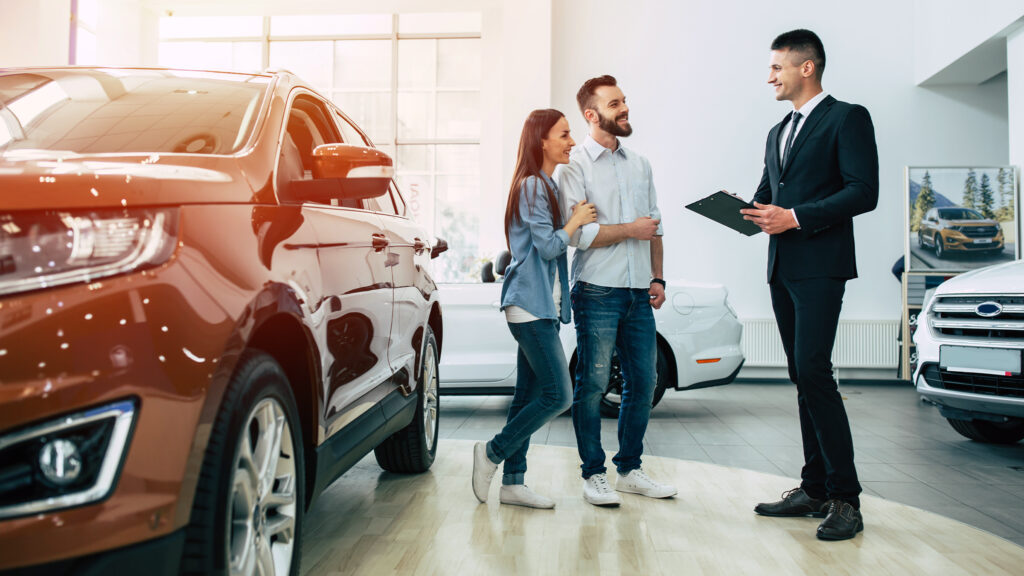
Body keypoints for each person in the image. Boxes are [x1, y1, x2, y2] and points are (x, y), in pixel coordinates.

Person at [737, 29, 878, 541]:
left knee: (815, 372)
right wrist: (743, 211)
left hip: (821, 264)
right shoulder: (777, 131)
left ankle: (846, 498)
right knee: (802, 374)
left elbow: (864, 192)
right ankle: (814, 487)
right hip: (782, 268)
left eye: (777, 67)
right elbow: (766, 194)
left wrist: (794, 216)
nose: (769, 76)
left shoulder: (847, 118)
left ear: (806, 68)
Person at [555, 75, 677, 507]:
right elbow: (579, 236)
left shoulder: (640, 164)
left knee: (643, 382)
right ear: (592, 114)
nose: (624, 108)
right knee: (592, 384)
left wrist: (657, 277)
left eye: (624, 100)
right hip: (597, 291)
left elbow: (655, 226)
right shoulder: (573, 167)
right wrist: (630, 230)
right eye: (614, 103)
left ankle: (629, 469)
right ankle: (593, 474)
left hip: (637, 292)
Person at [472, 109, 597, 508]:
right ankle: (492, 451)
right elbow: (547, 247)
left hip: (540, 305)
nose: (571, 141)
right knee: (559, 395)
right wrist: (576, 220)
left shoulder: (543, 184)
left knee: (527, 395)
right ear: (541, 140)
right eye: (563, 134)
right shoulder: (531, 186)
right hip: (528, 305)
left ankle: (512, 482)